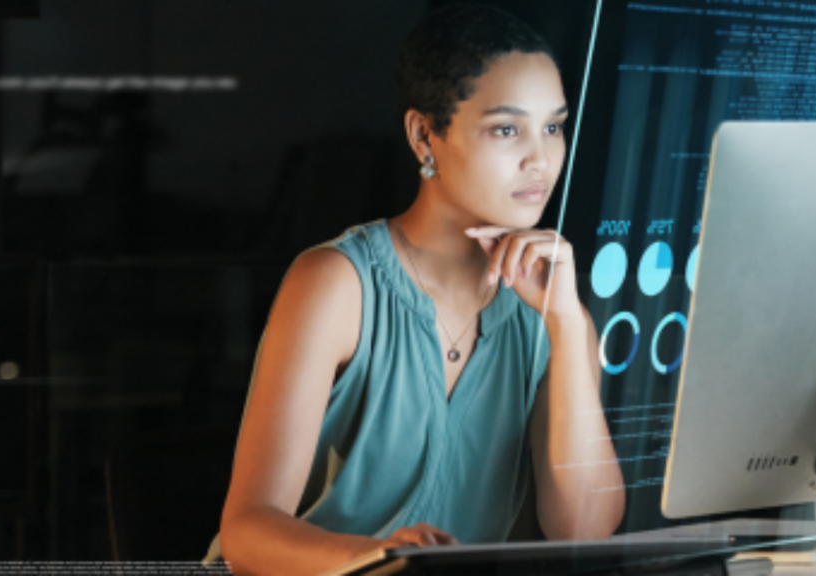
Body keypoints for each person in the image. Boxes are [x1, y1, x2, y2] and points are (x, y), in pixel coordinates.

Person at [208, 5, 625, 574]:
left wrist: (569, 327)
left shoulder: (552, 317)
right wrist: (379, 558)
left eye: (553, 126)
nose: (541, 159)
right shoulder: (336, 285)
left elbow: (583, 530)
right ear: (424, 134)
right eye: (507, 129)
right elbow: (246, 535)